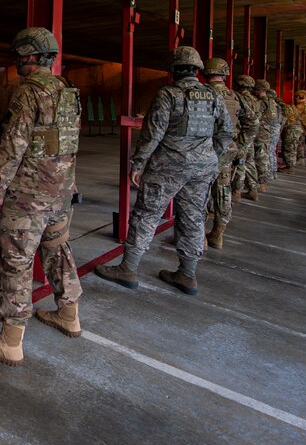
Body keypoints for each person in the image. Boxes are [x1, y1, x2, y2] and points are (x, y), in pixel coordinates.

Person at [0, 26, 82, 366]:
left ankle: (10, 342)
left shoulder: (28, 92)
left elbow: (12, 145)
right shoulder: (67, 91)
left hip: (28, 197)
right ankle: (70, 316)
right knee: (58, 250)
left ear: (27, 55)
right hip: (61, 193)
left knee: (15, 262)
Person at [94, 46, 232, 295]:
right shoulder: (214, 96)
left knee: (146, 214)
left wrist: (138, 164)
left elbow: (152, 135)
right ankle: (187, 275)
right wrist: (210, 156)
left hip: (168, 166)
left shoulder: (169, 94)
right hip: (203, 168)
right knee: (193, 217)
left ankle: (128, 268)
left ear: (173, 70)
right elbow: (226, 132)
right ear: (197, 70)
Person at [201, 58, 252, 249]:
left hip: (205, 150)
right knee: (223, 191)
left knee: (199, 193)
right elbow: (252, 123)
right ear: (225, 74)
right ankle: (217, 235)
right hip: (227, 151)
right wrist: (240, 146)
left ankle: (199, 238)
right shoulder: (235, 97)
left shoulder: (202, 93)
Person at [230, 75, 261, 201]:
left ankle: (236, 191)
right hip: (251, 135)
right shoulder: (255, 100)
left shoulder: (240, 99)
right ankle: (253, 190)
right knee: (249, 161)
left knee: (239, 163)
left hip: (241, 135)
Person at [253, 80, 279, 190]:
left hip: (261, 132)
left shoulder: (261, 102)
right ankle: (268, 176)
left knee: (260, 156)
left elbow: (254, 117)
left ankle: (262, 182)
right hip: (269, 132)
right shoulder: (272, 102)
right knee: (266, 154)